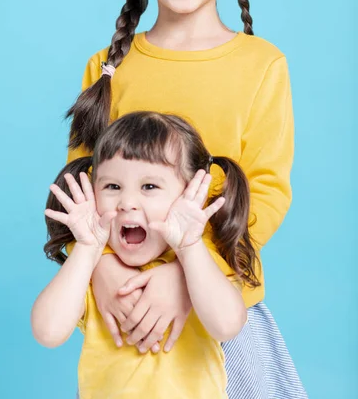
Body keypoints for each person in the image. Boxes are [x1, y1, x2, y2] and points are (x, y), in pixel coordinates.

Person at [65, 0, 307, 397]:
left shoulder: (261, 65)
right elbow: (79, 188)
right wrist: (99, 270)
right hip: (125, 307)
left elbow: (266, 190)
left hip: (221, 301)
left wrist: (191, 275)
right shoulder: (108, 66)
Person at [32, 112, 258, 398]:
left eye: (149, 187)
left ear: (191, 194)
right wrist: (87, 250)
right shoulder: (94, 273)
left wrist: (189, 249)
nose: (127, 203)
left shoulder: (199, 266)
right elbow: (47, 331)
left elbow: (227, 326)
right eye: (112, 187)